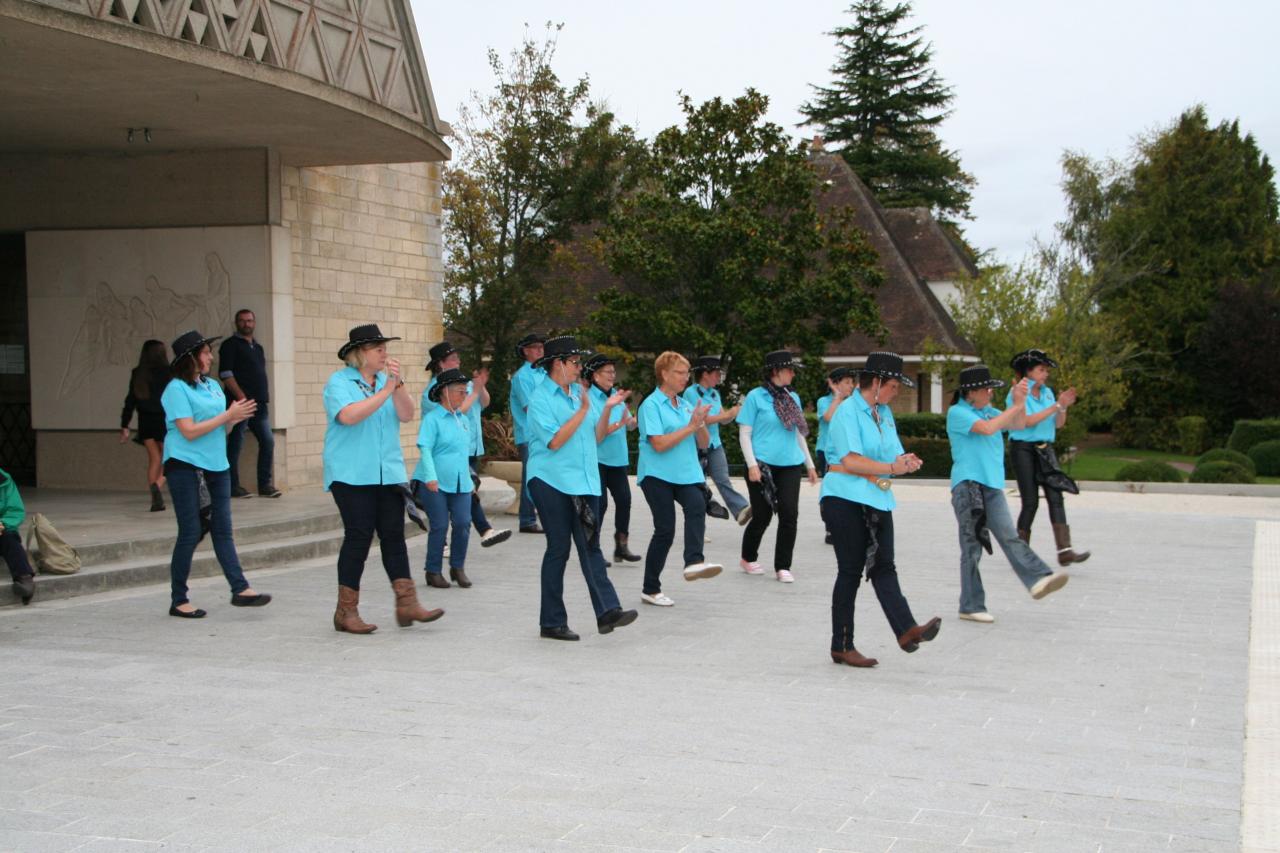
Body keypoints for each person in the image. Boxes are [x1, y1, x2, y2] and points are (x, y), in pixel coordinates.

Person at [821, 353, 941, 667]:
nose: (896, 392)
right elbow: (851, 461)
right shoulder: (848, 412)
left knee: (884, 565)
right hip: (843, 497)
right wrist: (891, 466)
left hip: (877, 497)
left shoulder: (884, 413)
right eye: (891, 385)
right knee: (850, 570)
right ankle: (842, 645)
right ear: (874, 383)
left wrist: (906, 461)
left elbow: (894, 452)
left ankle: (906, 631)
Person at [324, 324, 443, 634]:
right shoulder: (340, 382)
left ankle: (407, 603)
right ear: (360, 353)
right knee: (359, 536)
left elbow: (406, 414)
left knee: (393, 534)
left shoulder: (386, 382)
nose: (385, 353)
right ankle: (345, 612)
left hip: (387, 472)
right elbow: (348, 416)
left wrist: (396, 385)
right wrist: (386, 391)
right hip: (350, 473)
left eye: (384, 348)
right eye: (378, 348)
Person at [526, 336, 637, 640]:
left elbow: (596, 438)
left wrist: (603, 410)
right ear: (558, 364)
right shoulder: (540, 399)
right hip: (550, 480)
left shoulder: (579, 394)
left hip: (582, 481)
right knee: (559, 548)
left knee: (590, 545)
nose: (578, 368)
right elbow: (554, 441)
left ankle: (607, 611)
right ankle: (551, 622)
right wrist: (583, 410)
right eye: (574, 362)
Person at [947, 365, 1070, 623]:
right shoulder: (958, 413)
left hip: (991, 487)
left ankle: (1038, 578)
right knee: (972, 547)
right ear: (971, 392)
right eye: (987, 388)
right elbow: (988, 429)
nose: (991, 393)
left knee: (1010, 536)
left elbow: (1019, 423)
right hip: (968, 487)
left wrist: (1020, 401)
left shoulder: (989, 411)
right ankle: (970, 605)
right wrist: (1015, 406)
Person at [161, 330, 272, 618]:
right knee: (190, 531)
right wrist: (227, 416)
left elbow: (218, 426)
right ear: (192, 358)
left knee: (223, 528)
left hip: (216, 464)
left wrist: (233, 419)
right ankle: (178, 598)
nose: (211, 356)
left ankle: (240, 589)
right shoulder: (175, 389)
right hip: (185, 465)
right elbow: (187, 431)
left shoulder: (211, 386)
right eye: (207, 352)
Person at [635, 352, 725, 607]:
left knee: (697, 506)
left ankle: (694, 562)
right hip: (657, 474)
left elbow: (704, 443)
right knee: (665, 529)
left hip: (686, 473)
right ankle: (650, 589)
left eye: (687, 373)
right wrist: (689, 427)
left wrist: (700, 423)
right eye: (680, 373)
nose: (686, 377)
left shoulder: (685, 404)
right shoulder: (650, 405)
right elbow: (659, 444)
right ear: (664, 374)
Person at [738, 350, 819, 583]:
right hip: (761, 465)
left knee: (789, 514)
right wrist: (752, 464)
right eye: (789, 369)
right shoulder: (755, 397)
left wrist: (810, 464)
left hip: (790, 464)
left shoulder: (793, 397)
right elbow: (745, 433)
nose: (793, 374)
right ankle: (748, 557)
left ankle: (783, 566)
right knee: (762, 515)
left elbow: (798, 433)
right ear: (775, 371)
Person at [423, 341, 511, 550]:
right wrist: (473, 392)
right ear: (440, 364)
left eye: (458, 357)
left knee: (465, 490)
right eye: (453, 359)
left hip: (469, 446)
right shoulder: (432, 391)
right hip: (445, 451)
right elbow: (456, 410)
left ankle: (480, 531)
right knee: (455, 492)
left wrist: (480, 387)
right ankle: (479, 530)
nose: (458, 361)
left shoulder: (464, 384)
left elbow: (485, 403)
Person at [1007, 348, 1089, 564]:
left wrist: (1063, 408)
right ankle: (1020, 551)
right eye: (1041, 370)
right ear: (1028, 372)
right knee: (1030, 501)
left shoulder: (1048, 393)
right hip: (1023, 449)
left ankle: (1065, 550)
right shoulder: (1017, 393)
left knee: (1056, 496)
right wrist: (1056, 406)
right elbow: (1026, 422)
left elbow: (1058, 424)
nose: (1046, 374)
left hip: (1045, 449)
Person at [413, 368, 476, 590]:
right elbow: (425, 448)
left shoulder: (463, 419)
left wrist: (470, 479)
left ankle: (457, 567)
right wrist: (430, 477)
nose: (464, 396)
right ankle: (433, 570)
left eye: (465, 391)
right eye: (460, 391)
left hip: (460, 481)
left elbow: (462, 452)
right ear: (444, 393)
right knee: (439, 525)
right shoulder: (433, 419)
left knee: (463, 523)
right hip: (434, 481)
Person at [583, 353, 641, 563]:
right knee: (600, 505)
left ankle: (621, 545)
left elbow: (630, 424)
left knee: (625, 501)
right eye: (608, 372)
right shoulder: (589, 399)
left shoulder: (616, 395)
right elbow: (595, 434)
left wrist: (637, 419)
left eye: (613, 372)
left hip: (618, 459)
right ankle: (592, 548)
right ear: (596, 376)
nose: (612, 375)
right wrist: (618, 424)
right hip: (598, 459)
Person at [219, 309, 281, 498]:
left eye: (250, 320)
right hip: (240, 404)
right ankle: (233, 486)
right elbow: (225, 373)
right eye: (242, 321)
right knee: (235, 443)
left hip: (259, 404)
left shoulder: (258, 347)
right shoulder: (230, 345)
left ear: (254, 323)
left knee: (268, 441)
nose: (247, 324)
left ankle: (265, 485)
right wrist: (240, 397)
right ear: (236, 323)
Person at [684, 356, 751, 526]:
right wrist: (727, 414)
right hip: (697, 446)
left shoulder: (715, 394)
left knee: (723, 479)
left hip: (715, 444)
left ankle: (741, 509)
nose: (718, 377)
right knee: (698, 486)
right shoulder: (691, 393)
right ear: (705, 374)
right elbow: (698, 420)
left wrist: (734, 413)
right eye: (716, 373)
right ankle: (699, 524)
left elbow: (722, 418)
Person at [119, 339, 172, 511]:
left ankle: (154, 496)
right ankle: (158, 484)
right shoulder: (169, 372)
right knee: (170, 457)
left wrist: (125, 425)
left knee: (154, 458)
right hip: (164, 419)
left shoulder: (138, 372)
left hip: (145, 421)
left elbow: (130, 400)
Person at [815, 366, 857, 545]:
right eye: (846, 382)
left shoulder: (854, 402)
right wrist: (837, 398)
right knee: (831, 490)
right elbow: (828, 417)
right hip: (827, 452)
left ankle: (848, 524)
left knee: (848, 488)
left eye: (852, 382)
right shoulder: (824, 401)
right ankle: (830, 527)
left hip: (846, 452)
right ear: (834, 384)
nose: (851, 386)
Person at [510, 332, 547, 534]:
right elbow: (529, 407)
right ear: (525, 351)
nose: (540, 350)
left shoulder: (544, 373)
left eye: (542, 347)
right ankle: (527, 518)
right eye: (535, 347)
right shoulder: (522, 376)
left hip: (543, 433)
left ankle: (535, 515)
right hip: (528, 434)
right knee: (530, 477)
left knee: (541, 475)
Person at [0, 467, 35, 605]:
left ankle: (25, 579)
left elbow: (15, 511)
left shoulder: (4, 480)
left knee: (9, 536)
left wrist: (3, 523)